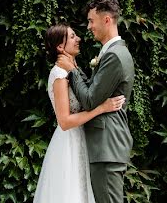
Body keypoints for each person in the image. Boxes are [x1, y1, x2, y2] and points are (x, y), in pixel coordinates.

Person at [33, 23, 126, 203]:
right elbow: (65, 121)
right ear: (60, 46)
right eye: (73, 36)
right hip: (68, 143)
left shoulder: (73, 71)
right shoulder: (59, 74)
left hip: (83, 139)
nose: (79, 39)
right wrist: (101, 108)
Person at [58, 0, 135, 203]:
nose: (89, 26)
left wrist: (72, 72)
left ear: (107, 20)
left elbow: (90, 99)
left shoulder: (114, 56)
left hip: (107, 146)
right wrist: (74, 69)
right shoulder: (110, 52)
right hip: (105, 147)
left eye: (92, 20)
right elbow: (94, 90)